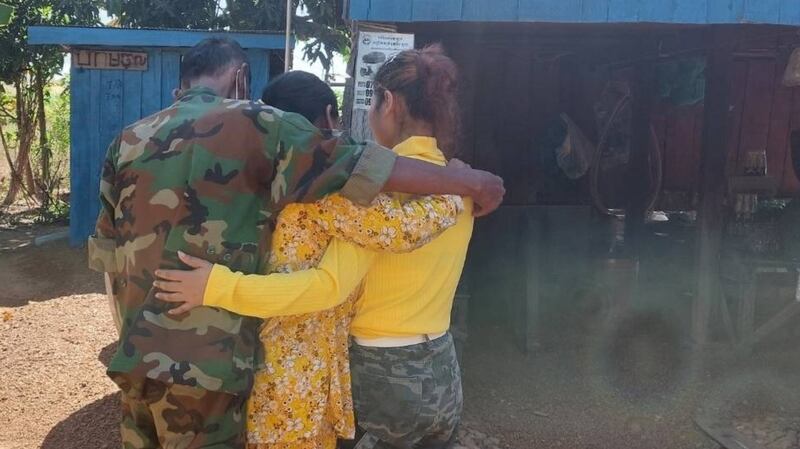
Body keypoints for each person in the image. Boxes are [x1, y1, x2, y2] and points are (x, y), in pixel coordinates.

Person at [89, 37, 504, 449]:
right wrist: (462, 187)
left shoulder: (127, 140)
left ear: (389, 103)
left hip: (147, 351)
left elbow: (106, 253)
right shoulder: (294, 156)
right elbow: (383, 218)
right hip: (254, 367)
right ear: (240, 79)